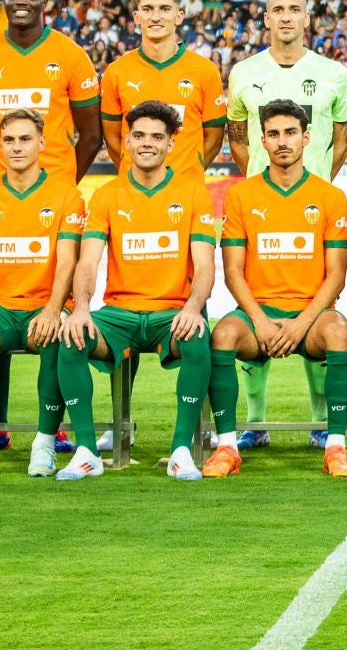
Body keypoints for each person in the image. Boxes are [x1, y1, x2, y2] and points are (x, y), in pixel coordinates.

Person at [0, 0, 101, 453]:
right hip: (2, 199)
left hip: (55, 203)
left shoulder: (70, 55)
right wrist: (11, 178)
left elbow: (92, 133)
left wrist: (59, 184)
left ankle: (54, 428)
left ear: (47, 2)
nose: (21, 0)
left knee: (55, 307)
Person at [224, 0, 347, 450]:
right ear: (265, 18)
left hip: (314, 208)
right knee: (256, 304)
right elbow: (238, 138)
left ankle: (322, 424)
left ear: (307, 17)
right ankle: (254, 421)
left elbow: (342, 141)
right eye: (276, 9)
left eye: (294, 9)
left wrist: (315, 182)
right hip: (259, 207)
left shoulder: (334, 74)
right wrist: (262, 180)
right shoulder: (243, 72)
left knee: (318, 308)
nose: (285, 17)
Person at [60, 101, 216, 481]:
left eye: (157, 137)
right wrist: (80, 308)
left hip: (171, 312)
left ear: (170, 145)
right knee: (71, 336)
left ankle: (181, 449)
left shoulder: (193, 193)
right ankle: (85, 450)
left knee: (197, 336)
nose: (148, 144)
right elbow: (87, 262)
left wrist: (194, 307)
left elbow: (206, 263)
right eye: (140, 136)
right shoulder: (106, 195)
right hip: (119, 314)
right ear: (126, 141)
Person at [203, 101, 347, 478]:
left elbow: (336, 276)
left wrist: (301, 324)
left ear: (306, 137)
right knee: (222, 333)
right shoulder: (241, 195)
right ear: (263, 141)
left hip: (313, 315)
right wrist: (259, 320)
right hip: (259, 314)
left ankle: (335, 446)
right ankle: (226, 446)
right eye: (273, 134)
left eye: (290, 132)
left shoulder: (330, 196)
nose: (282, 141)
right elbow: (233, 271)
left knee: (340, 332)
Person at [0, 109, 86, 478]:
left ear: (42, 143)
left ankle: (44, 444)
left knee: (58, 336)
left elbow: (67, 261)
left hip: (46, 306)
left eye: (25, 139)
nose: (17, 147)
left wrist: (54, 310)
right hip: (0, 310)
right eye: (9, 140)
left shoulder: (66, 195)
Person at [101, 0, 227, 177]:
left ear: (179, 16)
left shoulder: (205, 70)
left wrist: (186, 174)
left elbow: (214, 138)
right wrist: (140, 176)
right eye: (148, 9)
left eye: (165, 9)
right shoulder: (116, 71)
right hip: (133, 196)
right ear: (136, 17)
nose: (156, 17)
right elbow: (112, 138)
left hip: (186, 195)